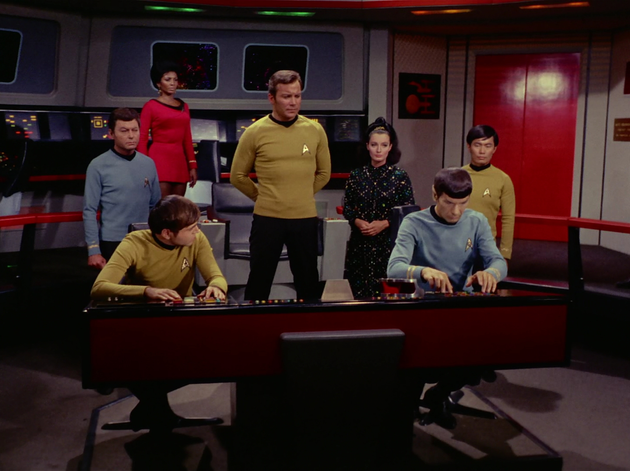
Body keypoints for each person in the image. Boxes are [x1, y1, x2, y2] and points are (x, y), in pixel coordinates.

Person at [91, 195, 227, 432]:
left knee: (209, 359)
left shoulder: (197, 239)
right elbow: (99, 288)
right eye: (191, 228)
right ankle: (157, 415)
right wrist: (146, 292)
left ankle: (152, 413)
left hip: (179, 320)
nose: (197, 231)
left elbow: (216, 275)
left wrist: (216, 286)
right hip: (141, 322)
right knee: (145, 366)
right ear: (166, 233)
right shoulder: (134, 243)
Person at [387, 167, 507, 428]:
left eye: (463, 203)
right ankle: (406, 413)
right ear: (435, 194)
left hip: (460, 306)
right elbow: (394, 268)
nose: (456, 211)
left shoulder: (477, 221)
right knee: (415, 367)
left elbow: (498, 261)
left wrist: (491, 273)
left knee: (482, 355)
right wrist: (423, 271)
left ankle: (438, 395)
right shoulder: (414, 222)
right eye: (449, 203)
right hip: (423, 308)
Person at [230, 70, 331, 301]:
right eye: (286, 96)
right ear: (272, 98)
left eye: (297, 96)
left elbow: (324, 173)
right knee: (259, 283)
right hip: (268, 219)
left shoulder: (314, 130)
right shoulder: (255, 132)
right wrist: (262, 197)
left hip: (305, 219)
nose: (293, 102)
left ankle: (307, 324)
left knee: (308, 283)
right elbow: (237, 176)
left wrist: (300, 195)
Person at [343, 117, 415, 298]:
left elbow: (407, 211)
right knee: (359, 295)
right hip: (360, 245)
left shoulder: (400, 176)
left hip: (389, 245)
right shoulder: (356, 175)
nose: (378, 150)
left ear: (390, 147)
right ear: (367, 146)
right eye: (374, 145)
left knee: (389, 294)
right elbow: (348, 207)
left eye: (383, 145)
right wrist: (357, 221)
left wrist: (384, 223)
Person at [83, 108, 161, 269]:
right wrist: (93, 250)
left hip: (145, 238)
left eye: (135, 130)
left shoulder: (148, 164)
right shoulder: (98, 165)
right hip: (113, 241)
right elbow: (89, 210)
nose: (131, 136)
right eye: (124, 131)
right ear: (111, 134)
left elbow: (156, 206)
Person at [138, 62, 198, 198]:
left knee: (178, 206)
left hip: (179, 162)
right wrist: (143, 167)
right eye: (168, 79)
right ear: (158, 83)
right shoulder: (150, 106)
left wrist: (192, 166)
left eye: (175, 80)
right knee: (162, 206)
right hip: (159, 160)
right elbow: (142, 139)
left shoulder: (184, 106)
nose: (172, 83)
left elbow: (187, 138)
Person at [463, 125, 516, 262]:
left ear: (494, 149)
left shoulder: (503, 179)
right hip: (455, 245)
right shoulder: (457, 176)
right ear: (469, 146)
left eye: (488, 146)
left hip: (485, 248)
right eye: (477, 145)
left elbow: (508, 219)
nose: (482, 151)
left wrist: (504, 254)